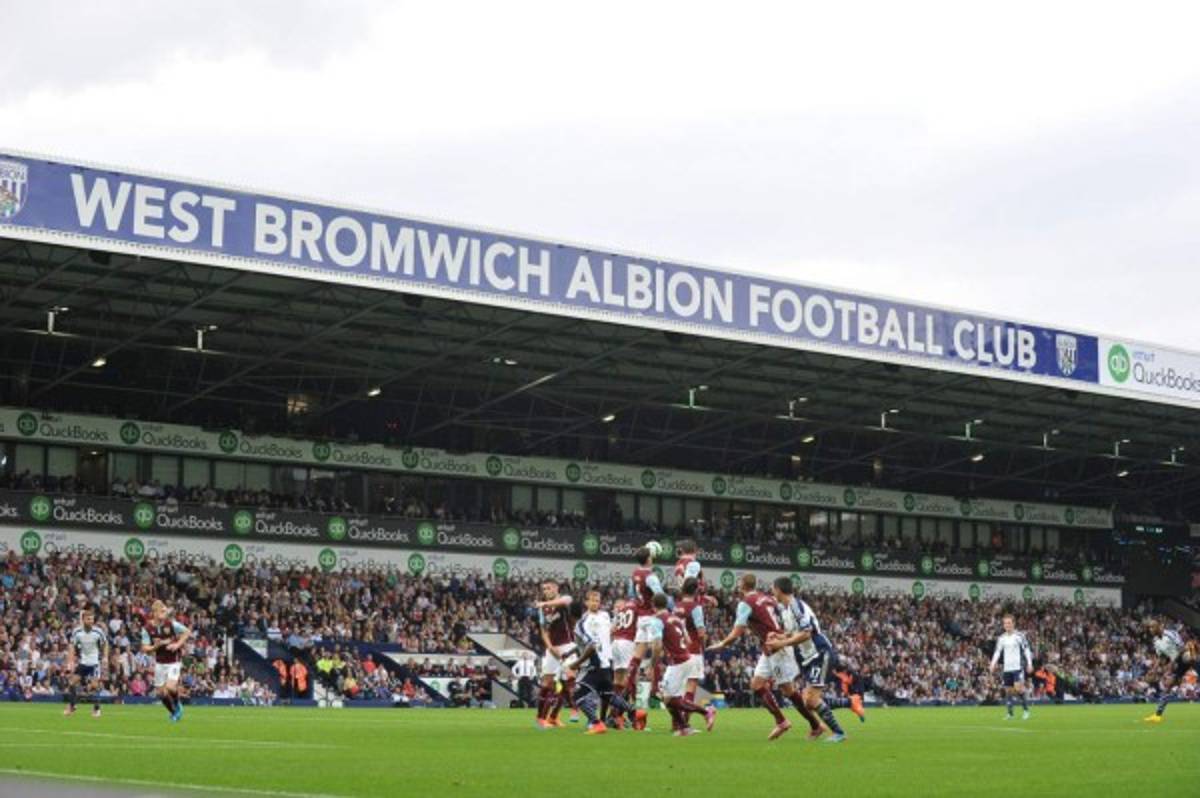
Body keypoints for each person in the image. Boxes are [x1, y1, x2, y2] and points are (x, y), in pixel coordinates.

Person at [707, 573, 799, 740]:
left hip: (776, 646)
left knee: (789, 690)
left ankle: (815, 724)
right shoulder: (767, 598)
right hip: (775, 644)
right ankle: (782, 721)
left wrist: (721, 644)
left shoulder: (746, 603)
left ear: (742, 585)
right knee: (756, 684)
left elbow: (736, 633)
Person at [770, 577, 847, 742]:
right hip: (810, 658)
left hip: (820, 653)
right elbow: (795, 633)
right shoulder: (788, 609)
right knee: (808, 701)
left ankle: (839, 732)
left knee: (811, 699)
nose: (772, 593)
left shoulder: (795, 606)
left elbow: (807, 632)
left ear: (778, 589)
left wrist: (781, 642)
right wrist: (781, 636)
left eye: (773, 589)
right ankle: (848, 703)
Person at [562, 590, 640, 735]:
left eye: (597, 601)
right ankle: (633, 712)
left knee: (577, 696)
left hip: (596, 663)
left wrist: (574, 665)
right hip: (605, 663)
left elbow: (591, 646)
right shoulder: (596, 618)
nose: (595, 603)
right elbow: (590, 642)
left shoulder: (587, 622)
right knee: (608, 695)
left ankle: (596, 723)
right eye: (592, 600)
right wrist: (571, 652)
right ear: (586, 602)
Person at [648, 593, 714, 736]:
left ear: (653, 606)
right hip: (687, 658)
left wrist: (652, 665)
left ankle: (705, 712)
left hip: (678, 662)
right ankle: (684, 727)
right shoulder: (676, 619)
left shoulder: (657, 620)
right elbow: (688, 641)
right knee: (670, 699)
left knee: (668, 698)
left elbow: (657, 645)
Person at [626, 546, 669, 704]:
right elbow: (659, 595)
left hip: (641, 618)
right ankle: (655, 689)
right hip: (652, 617)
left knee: (637, 656)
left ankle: (628, 688)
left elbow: (631, 594)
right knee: (658, 650)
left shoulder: (634, 573)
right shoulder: (651, 576)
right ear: (649, 559)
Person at [532, 580, 575, 728]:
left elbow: (567, 599)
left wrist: (544, 604)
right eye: (544, 589)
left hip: (567, 645)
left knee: (569, 680)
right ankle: (541, 718)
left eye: (549, 588)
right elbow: (544, 630)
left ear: (556, 588)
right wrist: (550, 647)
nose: (546, 591)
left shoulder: (562, 601)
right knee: (548, 683)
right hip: (552, 648)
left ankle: (554, 716)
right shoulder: (542, 610)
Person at [140, 601, 191, 722]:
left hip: (174, 661)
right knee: (161, 693)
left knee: (170, 687)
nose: (165, 613)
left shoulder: (172, 624)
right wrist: (155, 647)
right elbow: (145, 648)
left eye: (165, 610)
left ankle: (178, 704)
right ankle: (174, 712)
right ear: (155, 613)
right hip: (160, 663)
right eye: (162, 611)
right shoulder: (147, 629)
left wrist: (177, 644)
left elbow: (187, 632)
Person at [1143, 619, 1197, 723]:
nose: (1150, 629)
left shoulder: (1170, 633)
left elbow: (1182, 647)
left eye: (1153, 626)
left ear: (1159, 626)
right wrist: (1153, 670)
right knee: (1168, 686)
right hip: (1177, 663)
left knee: (1190, 652)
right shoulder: (1156, 641)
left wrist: (1173, 662)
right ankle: (1157, 716)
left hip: (1183, 656)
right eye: (1149, 627)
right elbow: (1161, 657)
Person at [989, 614, 1033, 720]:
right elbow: (997, 652)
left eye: (1009, 623)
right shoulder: (1001, 638)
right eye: (1005, 623)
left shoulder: (1019, 636)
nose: (1007, 625)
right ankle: (1010, 714)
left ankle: (1026, 711)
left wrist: (1030, 663)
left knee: (1018, 688)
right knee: (1008, 691)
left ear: (1013, 623)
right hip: (1007, 668)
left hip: (1017, 667)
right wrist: (992, 663)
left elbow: (1026, 649)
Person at [65, 610, 108, 718]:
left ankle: (97, 709)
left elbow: (105, 644)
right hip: (83, 662)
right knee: (71, 683)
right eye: (88, 619)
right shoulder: (77, 632)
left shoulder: (98, 632)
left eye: (92, 619)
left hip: (94, 663)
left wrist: (105, 657)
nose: (91, 621)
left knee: (94, 686)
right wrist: (70, 661)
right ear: (83, 620)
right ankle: (72, 706)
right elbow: (72, 646)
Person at [674, 577, 708, 707]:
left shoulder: (676, 607)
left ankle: (677, 723)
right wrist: (704, 643)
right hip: (693, 650)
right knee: (691, 684)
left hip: (678, 650)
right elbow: (701, 632)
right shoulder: (695, 607)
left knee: (679, 687)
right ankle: (685, 723)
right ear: (695, 590)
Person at [609, 596, 638, 723]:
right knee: (629, 679)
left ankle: (613, 714)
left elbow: (611, 630)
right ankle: (620, 714)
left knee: (617, 680)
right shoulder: (637, 608)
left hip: (615, 642)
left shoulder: (621, 611)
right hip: (627, 642)